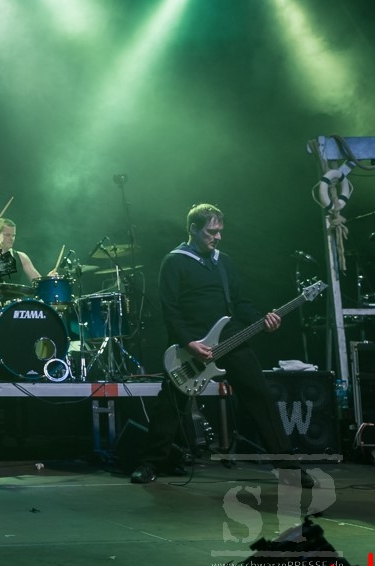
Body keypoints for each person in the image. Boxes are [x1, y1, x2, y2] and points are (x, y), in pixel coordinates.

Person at [130, 203, 312, 486]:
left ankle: (288, 466)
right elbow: (170, 311)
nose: (217, 237)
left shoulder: (223, 261)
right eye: (211, 232)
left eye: (220, 231)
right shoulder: (174, 261)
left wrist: (263, 319)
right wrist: (188, 343)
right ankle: (151, 463)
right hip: (191, 346)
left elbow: (239, 302)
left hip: (231, 338)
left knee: (261, 396)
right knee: (171, 403)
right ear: (193, 229)